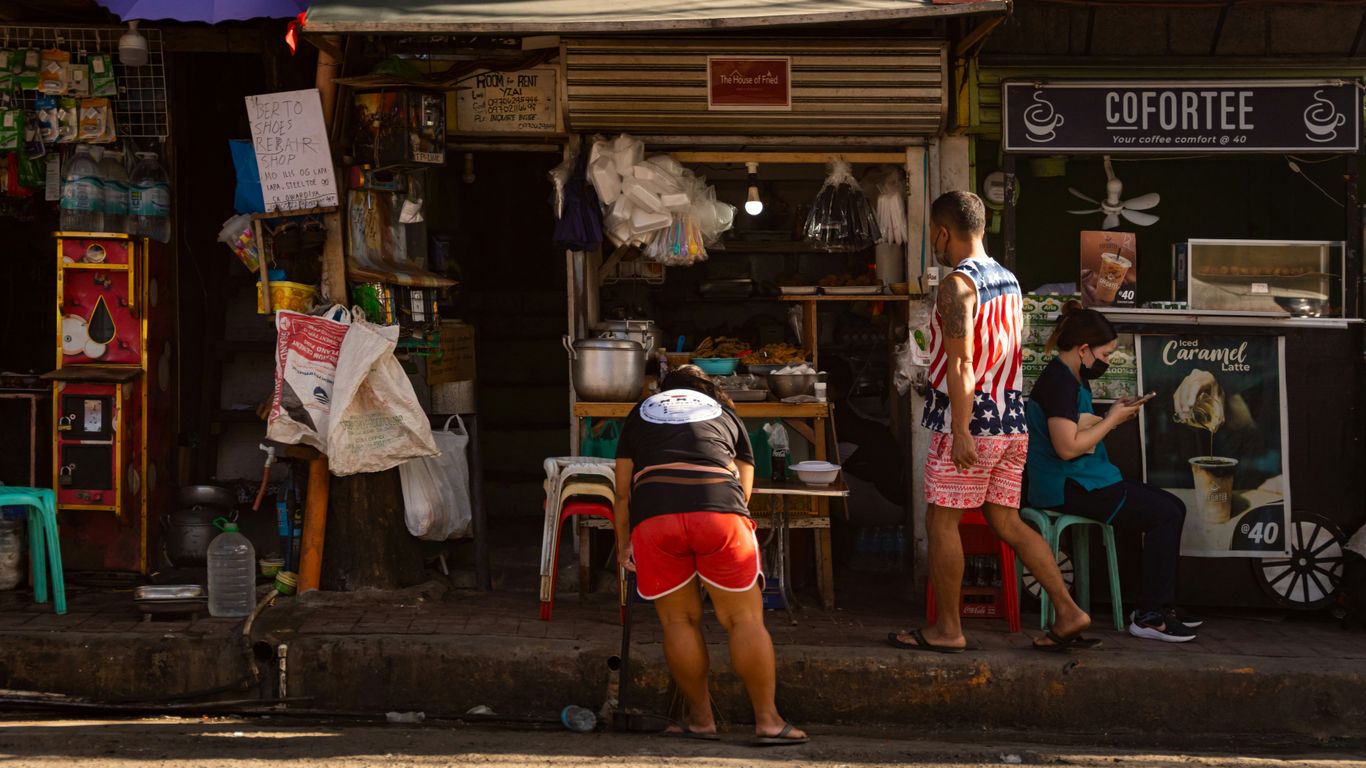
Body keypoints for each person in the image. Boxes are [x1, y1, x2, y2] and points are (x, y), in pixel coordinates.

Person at [889, 191, 1096, 653]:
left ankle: (947, 629)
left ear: (943, 233)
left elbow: (963, 366)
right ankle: (1068, 611)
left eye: (935, 237)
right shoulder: (1009, 280)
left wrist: (961, 430)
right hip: (1011, 421)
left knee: (942, 523)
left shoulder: (957, 286)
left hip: (969, 421)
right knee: (1007, 521)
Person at [613, 365, 808, 746]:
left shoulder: (641, 414)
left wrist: (624, 544)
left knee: (678, 622)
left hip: (656, 517)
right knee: (744, 619)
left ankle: (701, 720)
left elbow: (622, 492)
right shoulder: (725, 413)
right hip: (720, 512)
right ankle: (768, 721)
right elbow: (744, 492)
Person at [1025, 302, 1201, 642]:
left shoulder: (1072, 377)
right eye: (1105, 355)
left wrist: (1114, 415)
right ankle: (1150, 616)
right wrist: (1111, 420)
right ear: (1083, 349)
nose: (1106, 362)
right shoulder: (1058, 383)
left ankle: (1158, 607)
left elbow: (1079, 434)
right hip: (1068, 487)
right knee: (1165, 514)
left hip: (1088, 479)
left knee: (1172, 508)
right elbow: (1066, 447)